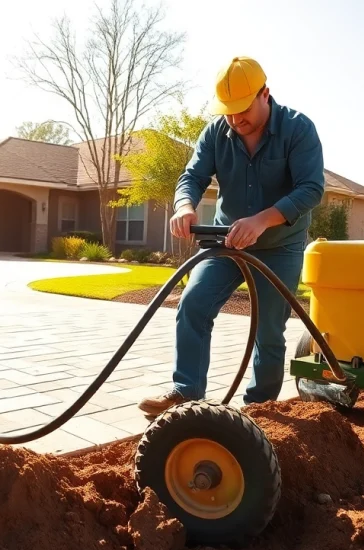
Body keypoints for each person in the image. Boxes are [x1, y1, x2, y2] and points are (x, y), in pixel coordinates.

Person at [138, 56, 325, 415]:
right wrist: (184, 206)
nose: (236, 120)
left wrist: (262, 220)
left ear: (265, 94)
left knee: (268, 330)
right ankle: (186, 393)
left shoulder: (298, 129)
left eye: (243, 110)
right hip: (227, 240)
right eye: (228, 112)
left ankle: (261, 410)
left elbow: (311, 189)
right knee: (193, 303)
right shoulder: (215, 133)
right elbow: (191, 177)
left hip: (279, 245)